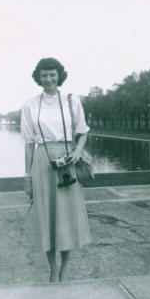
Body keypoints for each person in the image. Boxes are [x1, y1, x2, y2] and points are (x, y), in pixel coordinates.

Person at [20, 57, 91, 282]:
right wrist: (27, 176)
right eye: (44, 75)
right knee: (47, 216)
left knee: (66, 216)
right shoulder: (30, 105)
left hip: (68, 160)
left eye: (52, 74)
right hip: (43, 161)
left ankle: (65, 268)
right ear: (38, 78)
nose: (48, 79)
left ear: (59, 75)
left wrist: (78, 151)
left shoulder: (72, 101)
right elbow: (29, 144)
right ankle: (52, 268)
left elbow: (83, 131)